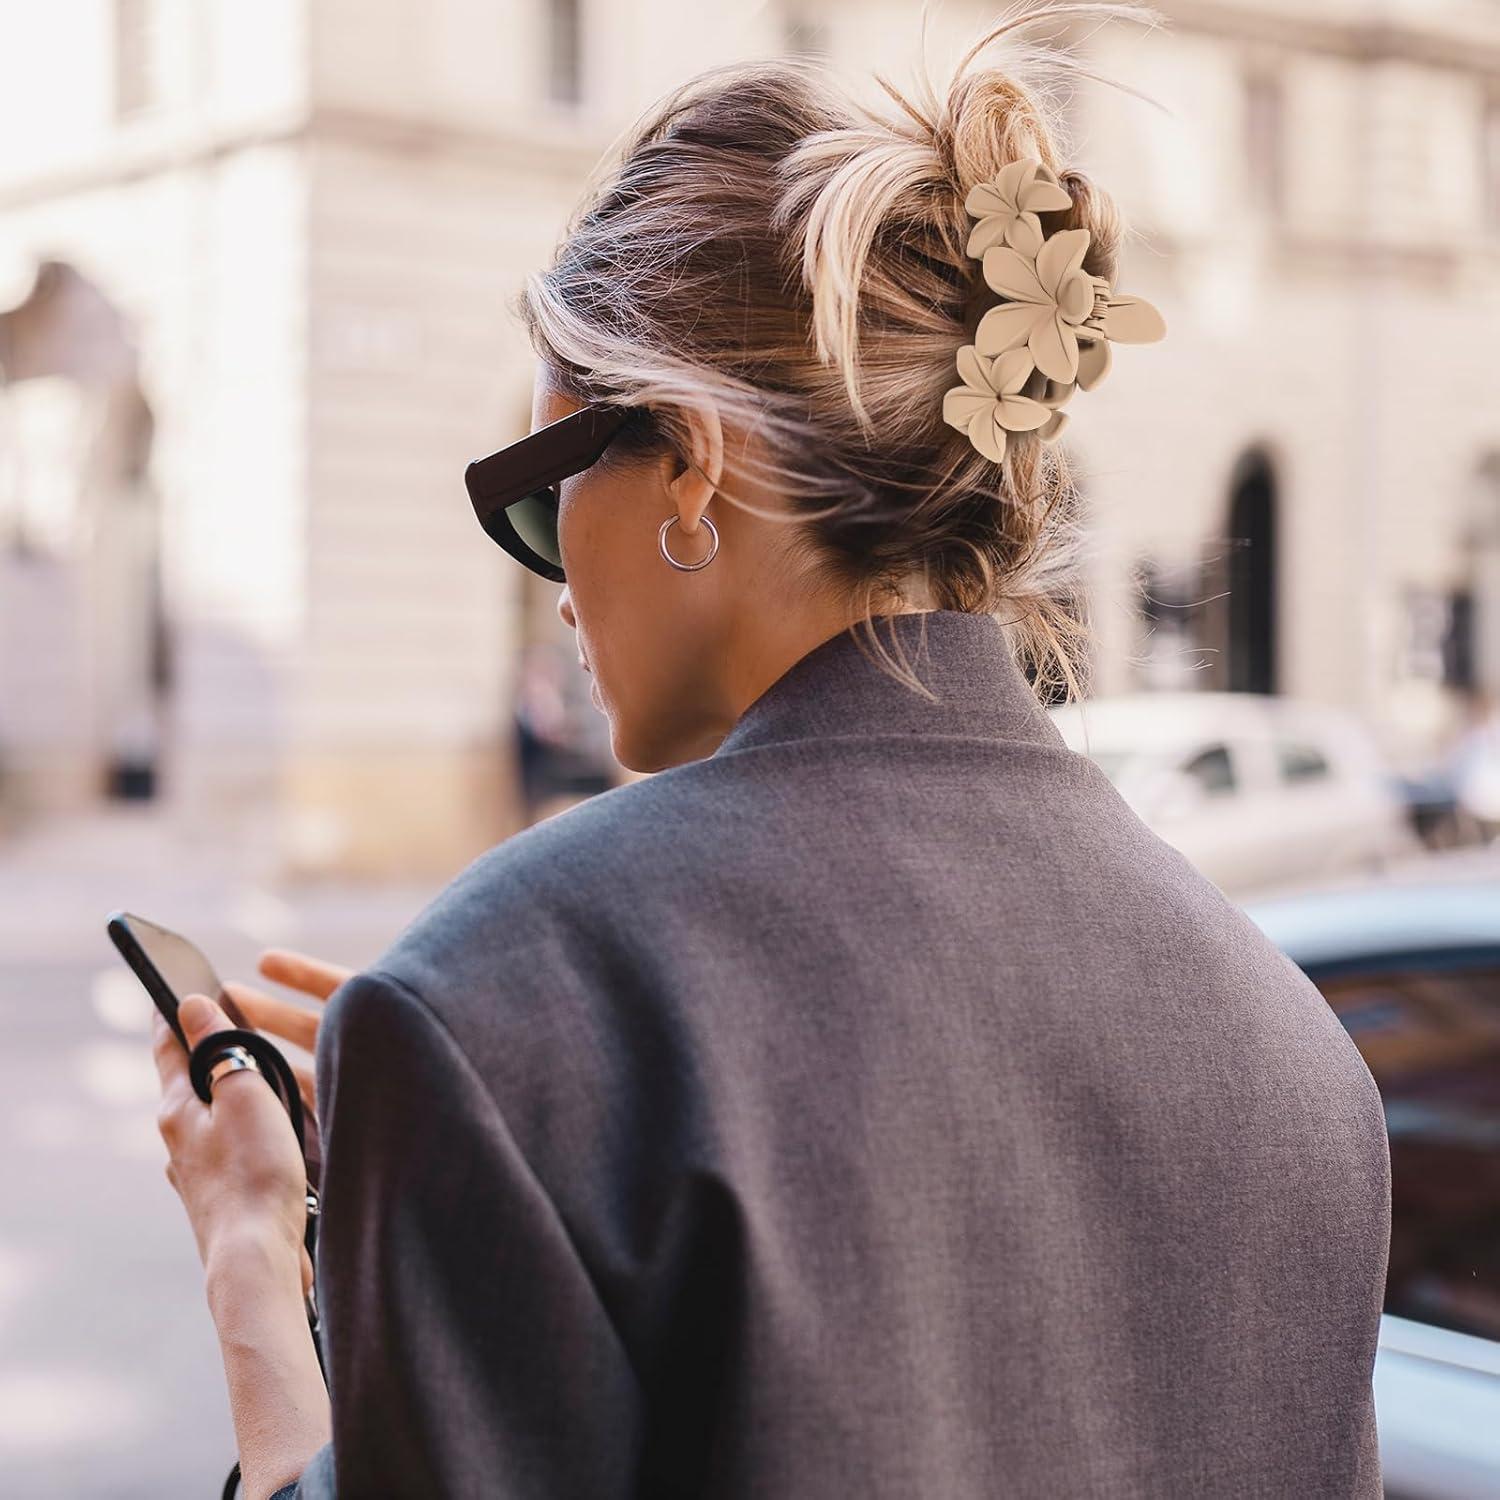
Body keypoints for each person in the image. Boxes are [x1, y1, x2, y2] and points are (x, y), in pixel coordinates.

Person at [151, 6, 1391, 1496]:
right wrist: (468, 1124)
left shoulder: (515, 997)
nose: (552, 579)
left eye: (538, 492)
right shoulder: (1295, 1047)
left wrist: (252, 1263)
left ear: (689, 460)